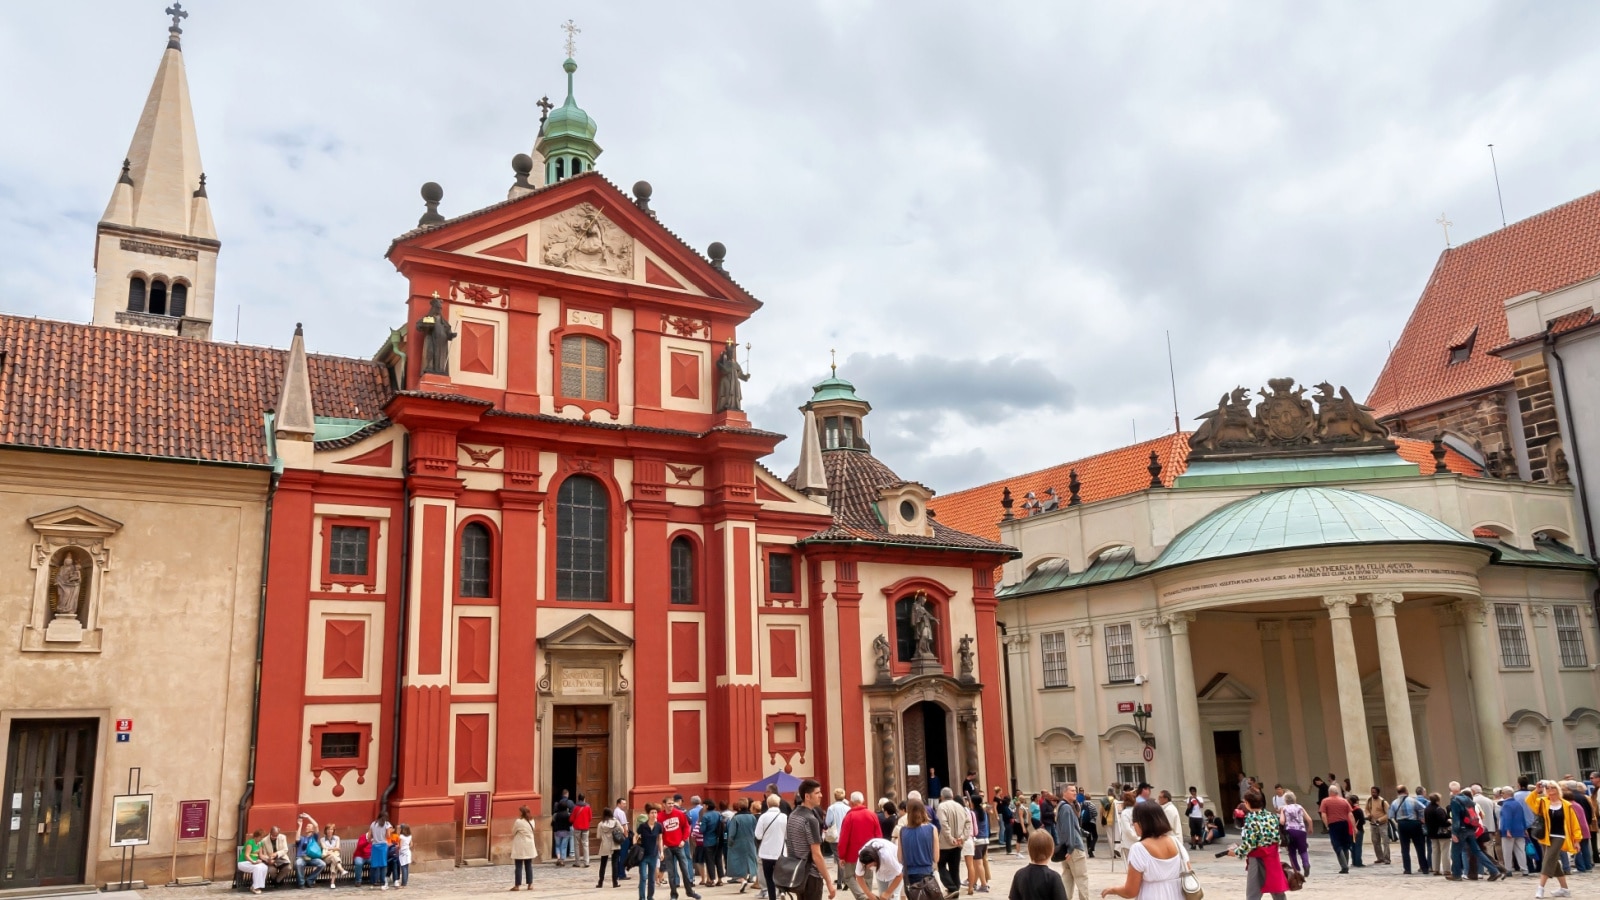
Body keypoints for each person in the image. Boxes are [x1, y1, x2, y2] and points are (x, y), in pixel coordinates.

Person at [1098, 800, 1186, 900]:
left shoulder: (1139, 849)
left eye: (1133, 822)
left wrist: (1113, 890)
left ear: (1140, 823)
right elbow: (1188, 871)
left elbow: (1130, 891)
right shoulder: (1175, 842)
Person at [1228, 789, 1287, 900]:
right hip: (1273, 856)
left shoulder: (1250, 819)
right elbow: (1278, 837)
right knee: (1277, 890)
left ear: (1247, 803)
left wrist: (1236, 852)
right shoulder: (1272, 816)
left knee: (1253, 893)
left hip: (1258, 857)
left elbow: (1250, 842)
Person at [786, 779, 835, 900]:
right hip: (811, 874)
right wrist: (829, 882)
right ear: (807, 796)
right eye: (817, 793)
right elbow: (816, 854)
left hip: (797, 871)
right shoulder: (810, 819)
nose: (821, 795)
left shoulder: (793, 815)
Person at [1530, 779, 1580, 897]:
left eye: (1552, 787)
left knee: (1547, 860)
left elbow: (1574, 824)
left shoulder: (1566, 805)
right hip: (1545, 836)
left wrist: (1577, 840)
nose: (1550, 790)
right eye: (1548, 788)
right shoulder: (1542, 802)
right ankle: (1565, 889)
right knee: (1554, 862)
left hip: (1560, 836)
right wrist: (1536, 790)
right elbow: (1530, 802)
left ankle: (1540, 888)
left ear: (1557, 789)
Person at [1447, 781, 1501, 882]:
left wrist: (1454, 833)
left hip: (1461, 830)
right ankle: (1494, 871)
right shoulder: (1467, 799)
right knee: (1477, 851)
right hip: (1471, 829)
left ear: (1451, 791)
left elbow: (1456, 818)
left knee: (1455, 853)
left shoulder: (1454, 800)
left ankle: (1456, 874)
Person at [839, 792, 884, 900]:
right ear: (862, 801)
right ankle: (867, 897)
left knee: (849, 876)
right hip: (870, 853)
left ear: (851, 802)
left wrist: (842, 855)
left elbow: (844, 838)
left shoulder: (849, 817)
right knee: (867, 877)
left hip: (852, 854)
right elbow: (878, 836)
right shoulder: (872, 814)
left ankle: (862, 896)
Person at [898, 794, 940, 900]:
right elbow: (936, 858)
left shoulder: (902, 831)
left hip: (910, 876)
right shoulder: (932, 829)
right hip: (927, 873)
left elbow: (899, 858)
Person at [661, 795, 701, 900]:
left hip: (679, 845)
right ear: (664, 805)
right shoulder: (660, 816)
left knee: (685, 869)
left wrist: (684, 840)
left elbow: (686, 827)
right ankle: (673, 894)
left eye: (672, 804)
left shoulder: (679, 814)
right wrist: (662, 846)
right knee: (671, 872)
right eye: (668, 804)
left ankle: (690, 891)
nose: (671, 806)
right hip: (667, 847)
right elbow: (659, 833)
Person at [935, 787, 972, 896]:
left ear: (942, 796)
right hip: (958, 843)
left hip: (945, 845)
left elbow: (943, 824)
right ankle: (956, 887)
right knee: (954, 867)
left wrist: (950, 839)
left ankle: (952, 887)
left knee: (940, 865)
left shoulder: (941, 807)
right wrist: (963, 837)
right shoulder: (960, 806)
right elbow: (968, 822)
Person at [1053, 787, 1088, 900]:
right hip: (1074, 848)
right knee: (1082, 878)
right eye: (1072, 791)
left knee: (1067, 878)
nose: (1075, 793)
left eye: (1075, 791)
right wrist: (1070, 848)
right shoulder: (1067, 808)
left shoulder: (1061, 806)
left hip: (1066, 848)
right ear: (1064, 792)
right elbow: (1068, 830)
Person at [1386, 785, 1429, 875]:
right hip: (1414, 823)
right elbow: (1423, 808)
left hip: (1402, 824)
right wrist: (1421, 818)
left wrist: (1397, 824)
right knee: (1419, 846)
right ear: (1406, 791)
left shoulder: (1394, 803)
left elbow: (1390, 816)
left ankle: (1407, 869)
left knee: (1405, 848)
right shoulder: (1413, 800)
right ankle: (1424, 868)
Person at [756, 793, 789, 900]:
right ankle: (782, 891)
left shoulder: (763, 817)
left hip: (766, 852)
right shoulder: (784, 817)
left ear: (768, 804)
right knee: (780, 875)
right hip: (780, 851)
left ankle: (772, 897)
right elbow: (787, 835)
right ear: (778, 804)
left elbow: (758, 835)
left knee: (769, 877)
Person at [1317, 784, 1355, 874]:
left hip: (1333, 825)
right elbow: (1350, 814)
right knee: (1345, 845)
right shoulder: (1344, 801)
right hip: (1344, 824)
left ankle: (1344, 866)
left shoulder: (1325, 801)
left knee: (1337, 845)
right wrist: (1354, 827)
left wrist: (1327, 825)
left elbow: (1323, 815)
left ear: (1329, 792)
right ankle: (1346, 864)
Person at [1498, 786, 1529, 876]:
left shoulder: (1506, 805)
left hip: (1509, 831)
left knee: (1507, 851)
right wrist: (1525, 828)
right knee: (1520, 850)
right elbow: (1522, 817)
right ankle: (1524, 869)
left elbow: (1507, 818)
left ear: (1507, 794)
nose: (1502, 795)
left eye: (1502, 793)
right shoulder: (1517, 803)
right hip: (1519, 829)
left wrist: (1507, 830)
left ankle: (1508, 869)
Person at [1277, 791, 1309, 877]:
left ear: (1285, 800)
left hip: (1290, 831)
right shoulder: (1300, 807)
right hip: (1301, 831)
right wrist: (1311, 828)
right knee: (1303, 850)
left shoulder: (1284, 808)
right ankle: (1306, 864)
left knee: (1292, 851)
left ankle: (1297, 869)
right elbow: (1309, 819)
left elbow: (1282, 821)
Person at [637, 805, 663, 900]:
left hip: (653, 854)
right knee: (643, 877)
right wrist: (635, 848)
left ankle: (650, 896)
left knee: (652, 878)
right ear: (648, 814)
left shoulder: (659, 826)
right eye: (652, 813)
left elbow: (660, 839)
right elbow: (636, 836)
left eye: (655, 813)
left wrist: (662, 852)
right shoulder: (642, 826)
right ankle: (642, 897)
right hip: (643, 855)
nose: (654, 815)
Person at [295, 814, 328, 888]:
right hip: (302, 858)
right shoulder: (302, 838)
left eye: (309, 826)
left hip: (311, 858)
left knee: (322, 864)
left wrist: (308, 817)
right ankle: (301, 883)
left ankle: (310, 880)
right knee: (298, 863)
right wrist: (300, 825)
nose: (306, 827)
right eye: (306, 826)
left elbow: (316, 825)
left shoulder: (314, 838)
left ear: (312, 830)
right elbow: (297, 839)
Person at [512, 805, 537, 891]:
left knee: (518, 865)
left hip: (520, 845)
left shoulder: (519, 822)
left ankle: (517, 885)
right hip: (529, 845)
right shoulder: (532, 821)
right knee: (528, 865)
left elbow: (513, 831)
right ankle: (530, 884)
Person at [1362, 787, 1389, 865]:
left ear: (1378, 793)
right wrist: (1368, 814)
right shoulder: (1369, 800)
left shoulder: (1383, 802)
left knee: (1385, 842)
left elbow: (1388, 814)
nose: (1373, 794)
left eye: (1374, 792)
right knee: (1375, 841)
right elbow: (1366, 809)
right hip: (1373, 824)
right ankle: (1380, 858)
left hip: (1382, 824)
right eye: (1372, 792)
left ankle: (1387, 858)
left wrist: (1380, 819)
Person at [598, 803, 622, 888]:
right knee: (614, 863)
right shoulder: (615, 821)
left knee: (603, 864)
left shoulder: (601, 824)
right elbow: (622, 830)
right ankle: (615, 882)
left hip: (605, 845)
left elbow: (598, 836)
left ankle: (600, 882)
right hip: (615, 844)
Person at [239, 829, 270, 894]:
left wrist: (267, 858)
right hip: (244, 862)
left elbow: (261, 855)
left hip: (254, 862)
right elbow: (246, 856)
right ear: (256, 836)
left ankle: (258, 885)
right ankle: (255, 887)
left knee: (264, 867)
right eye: (260, 837)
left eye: (262, 837)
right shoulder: (250, 842)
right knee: (257, 868)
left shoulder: (260, 843)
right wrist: (253, 862)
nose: (261, 839)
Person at [554, 790, 575, 866]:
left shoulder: (556, 815)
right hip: (566, 831)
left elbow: (552, 823)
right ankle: (562, 860)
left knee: (557, 845)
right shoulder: (568, 815)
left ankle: (558, 858)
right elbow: (570, 823)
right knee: (564, 846)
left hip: (557, 832)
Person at [574, 795, 595, 869]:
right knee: (585, 844)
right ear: (584, 799)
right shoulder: (588, 807)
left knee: (576, 845)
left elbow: (572, 818)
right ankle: (586, 862)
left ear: (578, 799)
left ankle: (577, 862)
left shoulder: (575, 807)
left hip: (577, 827)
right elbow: (590, 817)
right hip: (585, 827)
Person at [395, 824, 412, 888]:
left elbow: (400, 846)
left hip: (403, 853)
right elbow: (411, 844)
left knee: (403, 868)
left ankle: (403, 884)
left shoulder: (401, 836)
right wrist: (406, 846)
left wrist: (397, 846)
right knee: (406, 868)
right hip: (408, 852)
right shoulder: (410, 836)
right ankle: (405, 882)